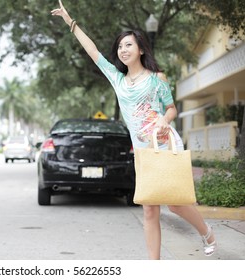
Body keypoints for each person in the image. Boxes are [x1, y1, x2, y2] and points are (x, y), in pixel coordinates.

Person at [51, 0, 217, 260]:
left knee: (175, 203)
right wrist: (70, 22)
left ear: (140, 49)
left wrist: (165, 120)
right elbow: (93, 51)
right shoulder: (117, 80)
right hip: (142, 150)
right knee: (150, 210)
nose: (123, 49)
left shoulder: (156, 79)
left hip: (163, 143)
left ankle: (206, 231)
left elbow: (172, 108)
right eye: (120, 46)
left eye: (128, 44)